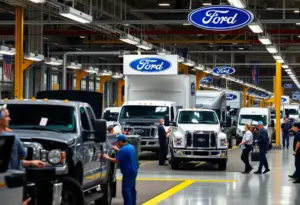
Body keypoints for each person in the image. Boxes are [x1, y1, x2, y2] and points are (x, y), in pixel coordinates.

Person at [103, 134, 138, 205]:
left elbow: (116, 160)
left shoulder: (123, 150)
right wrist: (118, 149)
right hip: (134, 171)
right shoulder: (130, 147)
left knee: (126, 190)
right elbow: (125, 154)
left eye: (118, 142)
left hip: (128, 172)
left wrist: (107, 157)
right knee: (132, 189)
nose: (117, 144)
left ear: (121, 141)